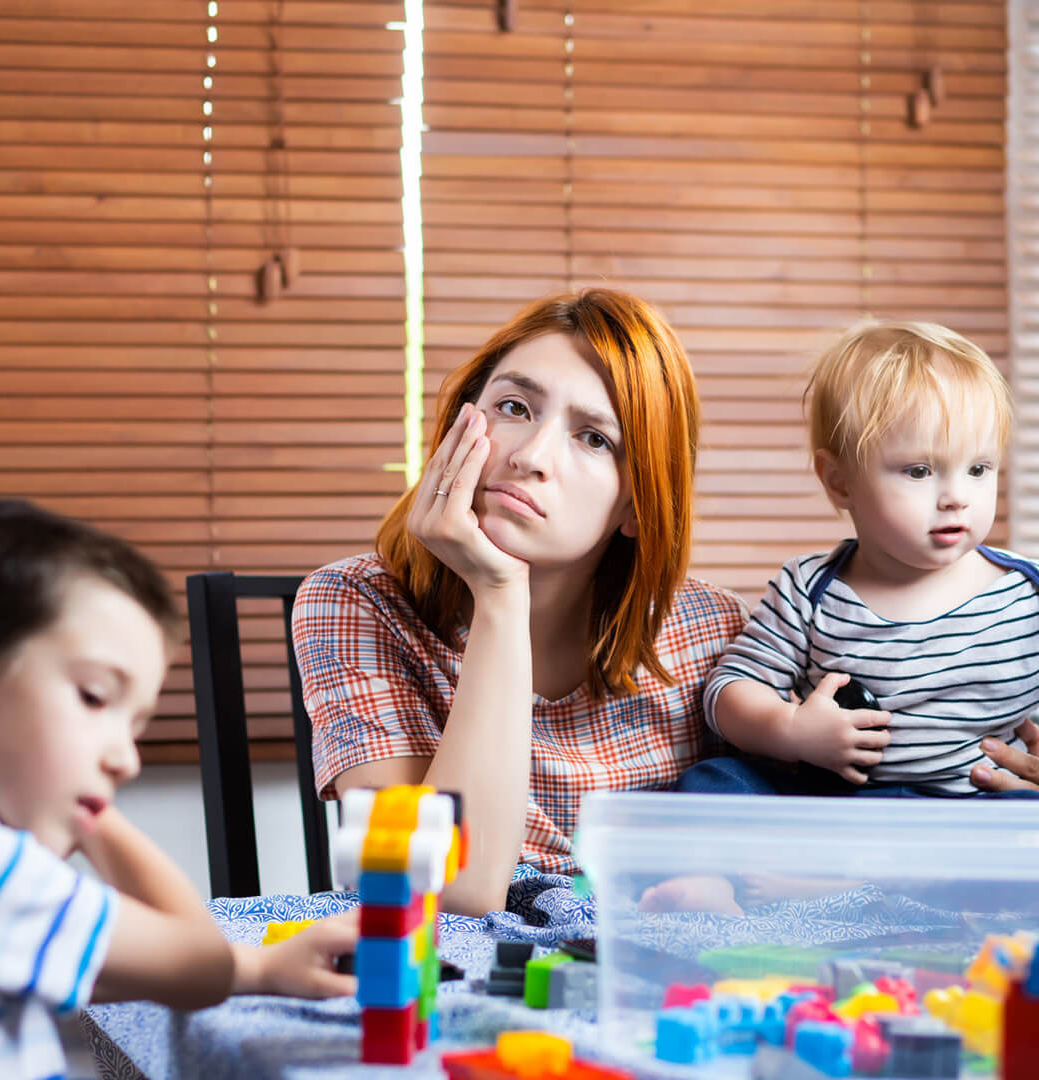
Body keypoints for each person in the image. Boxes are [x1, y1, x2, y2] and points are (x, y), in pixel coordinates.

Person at [293, 288, 749, 917]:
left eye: (594, 439)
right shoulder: (353, 602)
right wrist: (500, 595)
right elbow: (444, 893)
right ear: (463, 422)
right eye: (514, 407)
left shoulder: (711, 631)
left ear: (638, 505)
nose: (529, 457)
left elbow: (778, 868)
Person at [0, 498, 358, 1080]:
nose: (126, 759)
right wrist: (98, 815)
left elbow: (118, 965)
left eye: (136, 724)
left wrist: (264, 969)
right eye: (94, 697)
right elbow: (197, 965)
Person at [680, 319, 1039, 799]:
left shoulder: (1026, 593)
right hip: (840, 805)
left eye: (978, 468)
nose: (957, 497)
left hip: (977, 808)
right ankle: (717, 874)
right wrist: (789, 729)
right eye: (919, 470)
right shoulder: (809, 588)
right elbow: (729, 689)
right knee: (717, 780)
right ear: (839, 481)